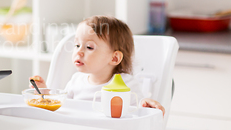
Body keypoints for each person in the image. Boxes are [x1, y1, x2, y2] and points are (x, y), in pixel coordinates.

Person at [31, 15, 165, 115]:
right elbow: (62, 108)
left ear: (114, 57)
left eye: (89, 47)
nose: (79, 51)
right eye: (77, 45)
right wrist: (44, 93)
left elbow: (138, 111)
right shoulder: (76, 81)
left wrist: (146, 104)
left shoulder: (126, 84)